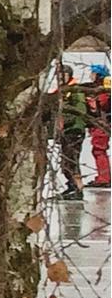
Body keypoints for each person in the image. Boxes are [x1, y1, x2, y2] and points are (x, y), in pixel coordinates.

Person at [52, 64, 89, 199]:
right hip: (66, 130)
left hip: (74, 128)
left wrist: (65, 119)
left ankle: (78, 188)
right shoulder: (60, 91)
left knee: (72, 160)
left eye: (64, 75)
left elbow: (80, 110)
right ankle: (72, 186)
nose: (61, 77)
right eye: (59, 75)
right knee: (66, 161)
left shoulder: (75, 90)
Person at [88, 64, 110, 189]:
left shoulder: (103, 90)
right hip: (101, 123)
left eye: (92, 73)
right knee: (99, 150)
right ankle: (103, 177)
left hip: (102, 124)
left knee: (99, 150)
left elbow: (102, 105)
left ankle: (104, 178)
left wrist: (91, 102)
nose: (90, 76)